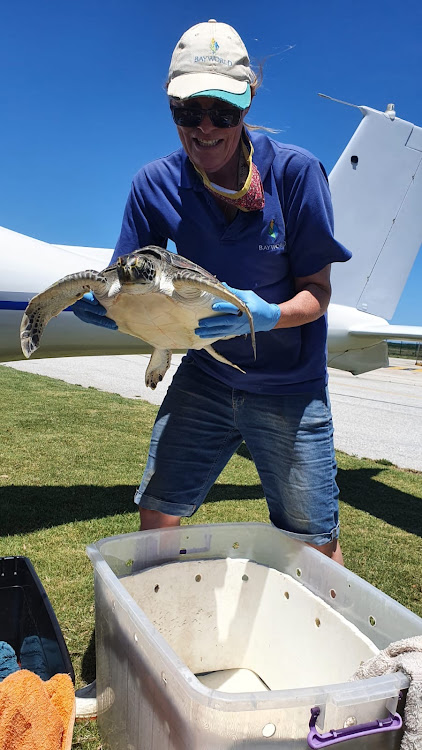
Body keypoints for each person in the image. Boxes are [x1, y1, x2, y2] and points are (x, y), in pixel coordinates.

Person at [73, 19, 351, 563]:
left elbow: (317, 292)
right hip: (205, 371)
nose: (204, 127)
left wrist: (265, 313)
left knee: (314, 541)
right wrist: (110, 307)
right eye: (187, 111)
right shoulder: (153, 184)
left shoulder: (295, 175)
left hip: (290, 385)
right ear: (171, 109)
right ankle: (156, 624)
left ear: (247, 104)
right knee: (157, 513)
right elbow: (127, 275)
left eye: (222, 111)